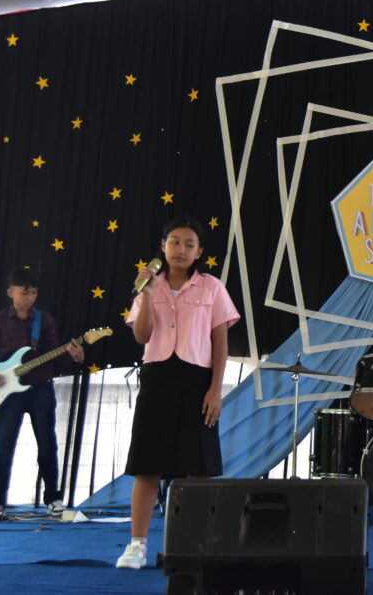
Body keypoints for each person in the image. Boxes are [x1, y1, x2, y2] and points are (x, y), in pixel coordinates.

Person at [116, 217, 240, 569]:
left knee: (198, 467)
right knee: (147, 466)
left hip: (197, 381)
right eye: (174, 242)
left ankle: (195, 543)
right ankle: (137, 545)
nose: (180, 249)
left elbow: (220, 342)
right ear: (163, 246)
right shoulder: (148, 286)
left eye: (189, 244)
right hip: (157, 379)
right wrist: (147, 294)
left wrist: (215, 390)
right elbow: (141, 336)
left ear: (199, 252)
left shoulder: (211, 287)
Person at [0, 267, 84, 518]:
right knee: (3, 446)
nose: (29, 298)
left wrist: (74, 357)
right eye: (24, 293)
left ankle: (53, 499)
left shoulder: (44, 319)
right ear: (10, 292)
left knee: (47, 444)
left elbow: (55, 353)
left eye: (33, 293)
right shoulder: (0, 319)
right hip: (9, 393)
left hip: (41, 388)